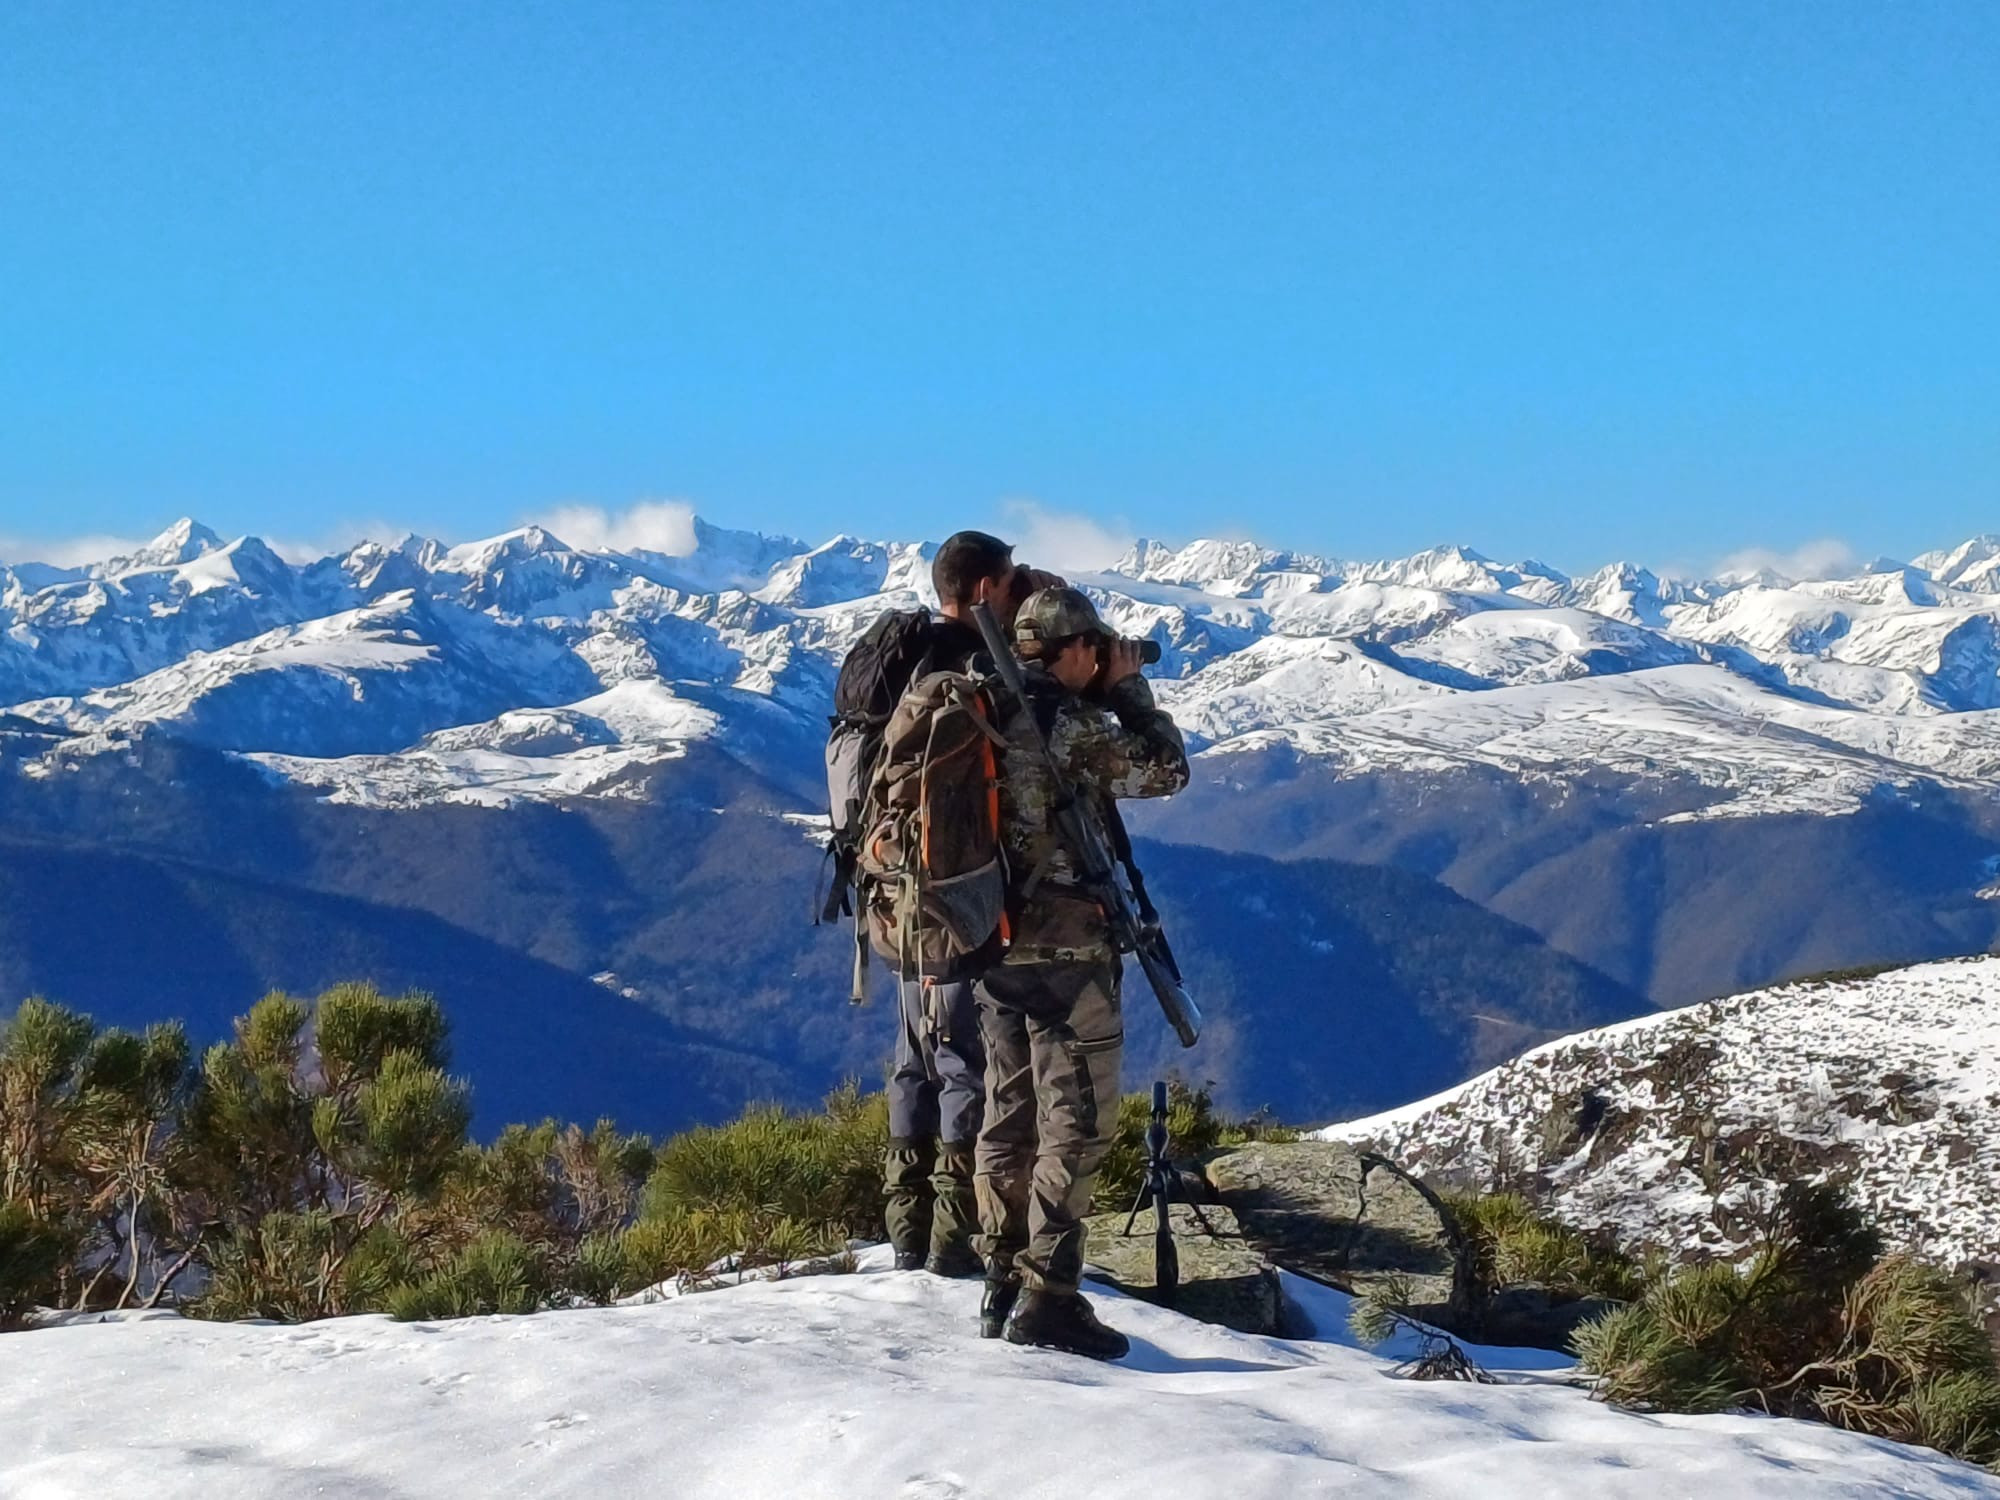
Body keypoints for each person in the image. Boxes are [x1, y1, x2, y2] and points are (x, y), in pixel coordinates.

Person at [975, 586, 1189, 1358]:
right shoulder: (1068, 723)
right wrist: (1129, 692)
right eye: (1093, 647)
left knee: (1009, 1112)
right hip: (1068, 953)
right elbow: (1166, 771)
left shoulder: (981, 707)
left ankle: (1000, 1277)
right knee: (1077, 1123)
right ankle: (1049, 1296)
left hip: (988, 943)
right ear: (1070, 650)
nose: (1099, 657)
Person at [874, 531, 1064, 1276]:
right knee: (962, 1063)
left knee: (912, 1061)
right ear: (985, 590)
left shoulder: (907, 659)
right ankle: (953, 1245)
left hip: (896, 898)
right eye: (1011, 582)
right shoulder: (979, 668)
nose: (1017, 592)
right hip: (963, 900)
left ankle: (904, 1234)